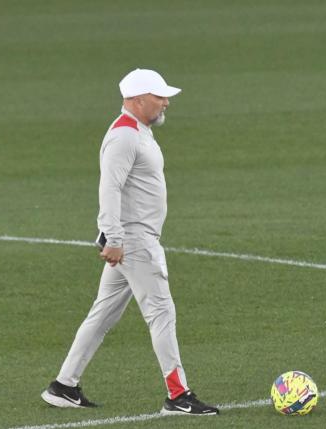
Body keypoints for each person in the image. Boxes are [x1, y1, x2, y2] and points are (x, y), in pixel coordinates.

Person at [41, 69, 219, 415]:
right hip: (135, 242)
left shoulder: (138, 132)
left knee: (102, 314)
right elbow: (109, 188)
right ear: (138, 100)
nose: (167, 102)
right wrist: (115, 237)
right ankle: (178, 396)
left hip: (133, 239)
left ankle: (63, 385)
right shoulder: (124, 136)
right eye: (160, 96)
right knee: (162, 314)